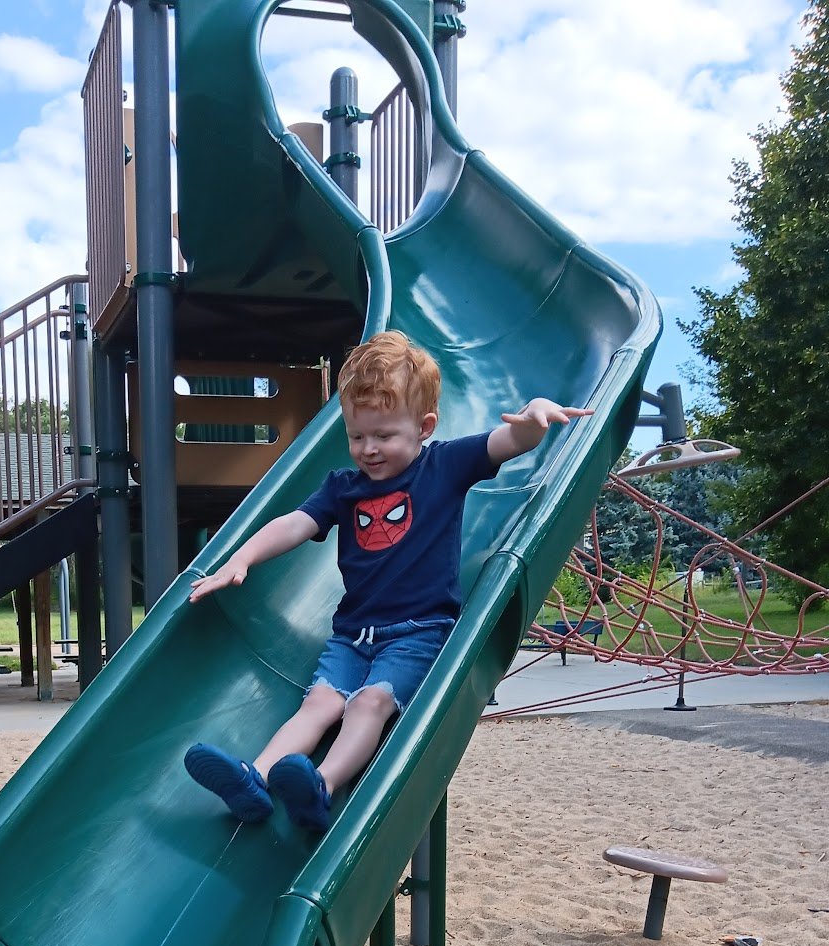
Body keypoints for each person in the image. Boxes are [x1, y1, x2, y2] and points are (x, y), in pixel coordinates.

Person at [183, 330, 591, 832]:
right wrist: (240, 558)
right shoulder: (343, 488)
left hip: (419, 632)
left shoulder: (444, 465)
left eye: (384, 436)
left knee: (371, 702)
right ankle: (257, 778)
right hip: (353, 633)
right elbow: (294, 523)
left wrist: (532, 420)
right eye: (357, 437)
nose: (368, 449)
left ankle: (322, 785)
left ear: (424, 427)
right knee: (319, 703)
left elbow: (507, 442)